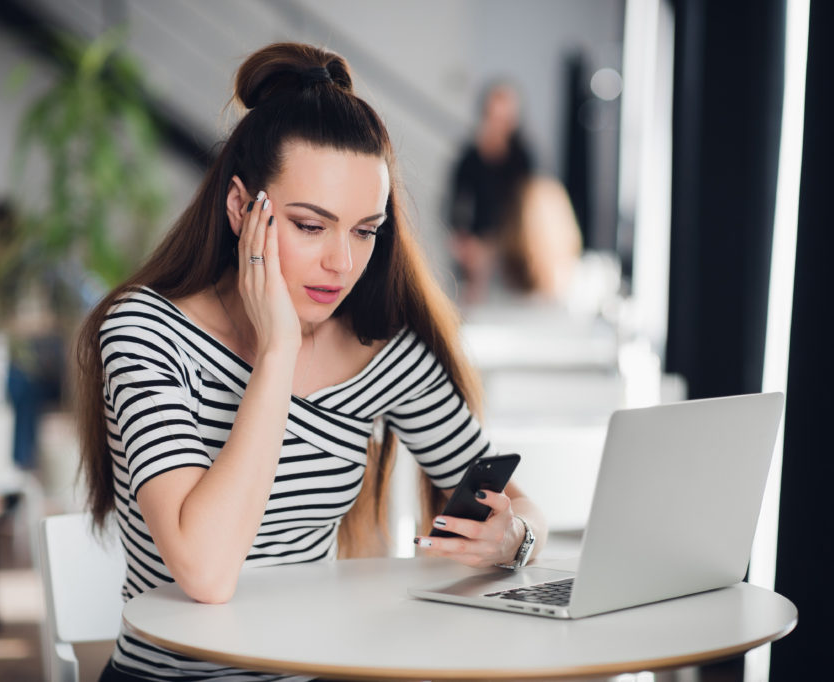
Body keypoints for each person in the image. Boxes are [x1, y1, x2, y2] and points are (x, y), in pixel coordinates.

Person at [75, 42, 548, 682]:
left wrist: (516, 539)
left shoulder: (383, 353)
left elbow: (521, 506)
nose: (342, 264)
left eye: (363, 230)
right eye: (308, 225)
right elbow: (207, 573)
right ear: (243, 209)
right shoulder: (144, 333)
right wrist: (277, 352)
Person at [446, 81, 533, 304]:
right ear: (484, 115)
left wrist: (498, 244)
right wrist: (462, 239)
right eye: (494, 118)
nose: (499, 125)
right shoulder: (470, 156)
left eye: (505, 119)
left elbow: (527, 206)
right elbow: (455, 203)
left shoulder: (522, 158)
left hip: (513, 239)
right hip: (477, 241)